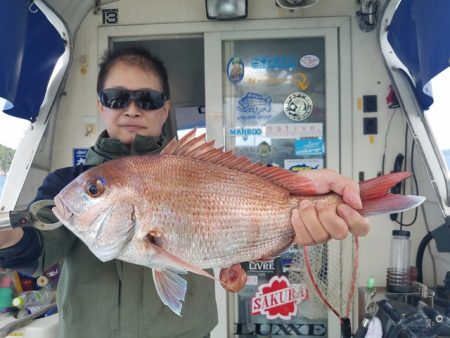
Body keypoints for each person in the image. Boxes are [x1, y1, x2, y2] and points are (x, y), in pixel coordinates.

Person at [0, 47, 369, 338]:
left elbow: (249, 194)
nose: (131, 108)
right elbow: (36, 247)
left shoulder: (197, 167)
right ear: (100, 105)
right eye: (116, 98)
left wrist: (305, 188)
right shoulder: (67, 183)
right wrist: (7, 234)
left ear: (164, 110)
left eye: (146, 99)